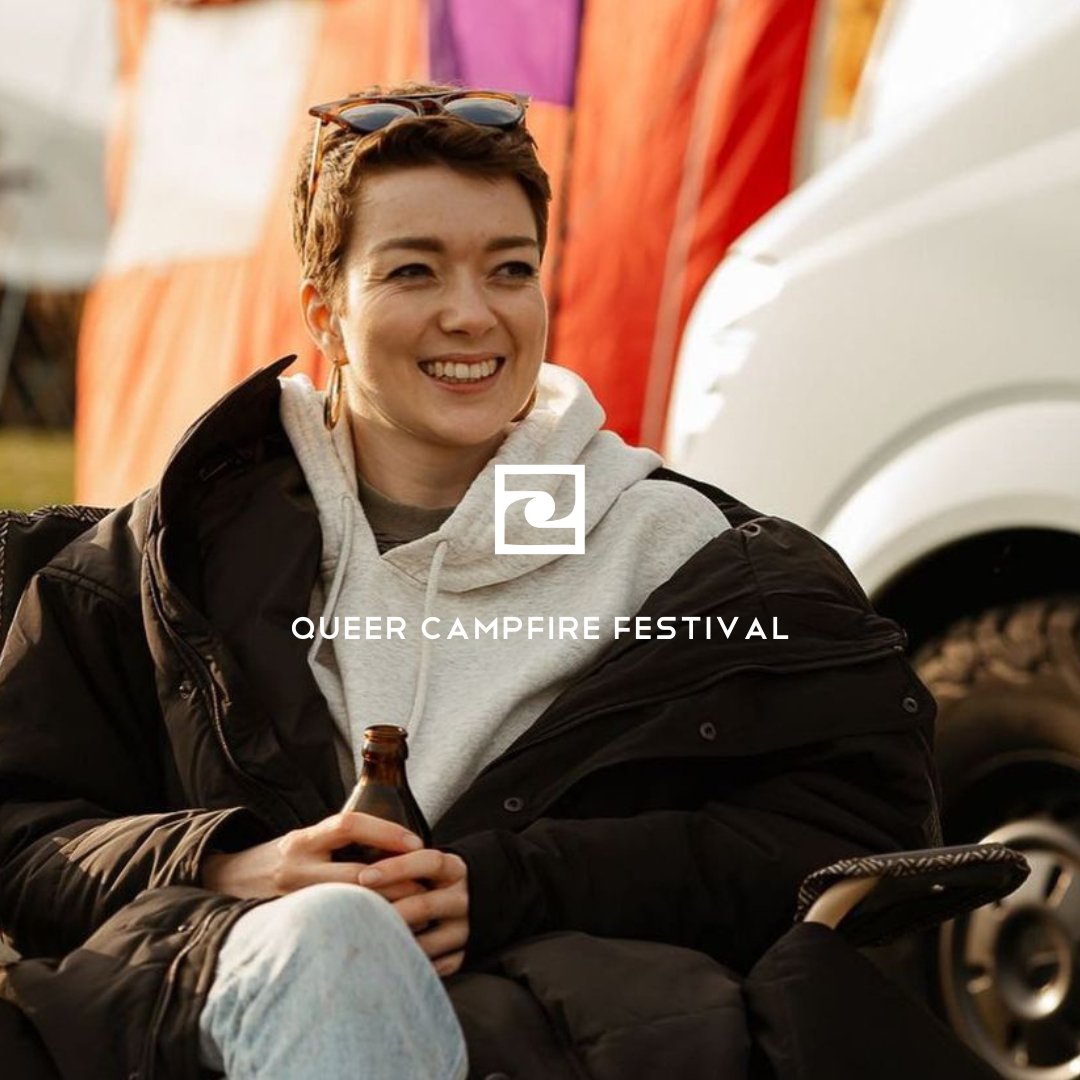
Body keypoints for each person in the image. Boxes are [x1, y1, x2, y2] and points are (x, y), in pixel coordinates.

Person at [0, 83, 951, 1079]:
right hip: (215, 1014)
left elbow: (849, 833)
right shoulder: (174, 553)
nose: (472, 314)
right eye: (414, 271)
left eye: (511, 269)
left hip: (556, 1040)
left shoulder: (689, 563)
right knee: (328, 943)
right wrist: (231, 865)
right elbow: (25, 835)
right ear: (327, 313)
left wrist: (513, 883)